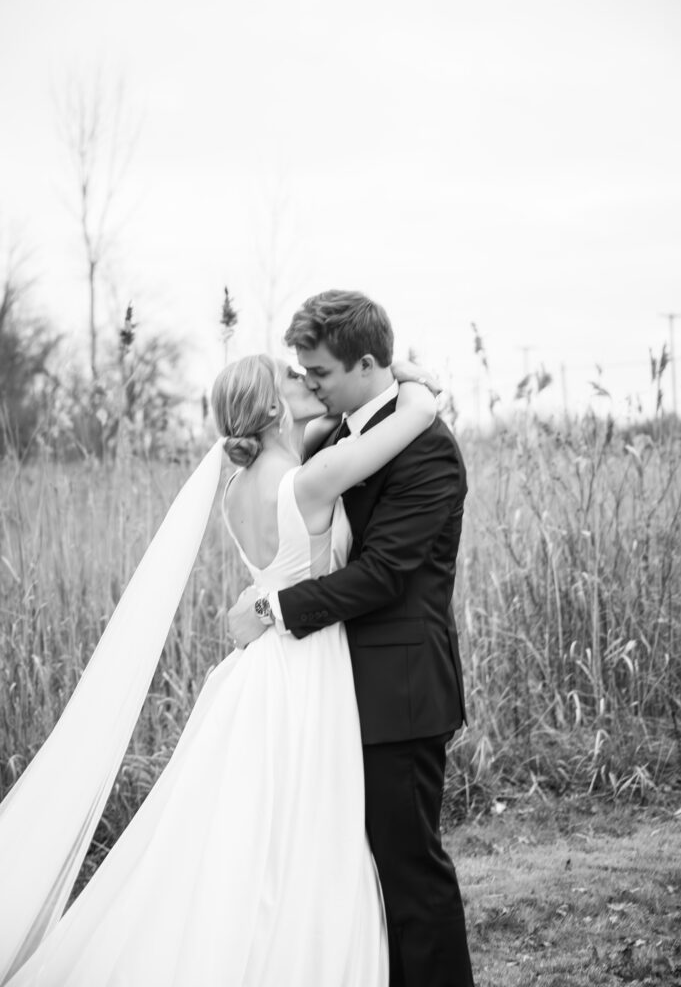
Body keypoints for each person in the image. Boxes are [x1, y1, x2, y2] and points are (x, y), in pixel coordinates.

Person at [2, 351, 437, 986]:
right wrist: (405, 377)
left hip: (259, 665)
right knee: (306, 826)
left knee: (250, 831)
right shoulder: (309, 482)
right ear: (268, 406)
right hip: (307, 667)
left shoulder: (238, 485)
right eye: (290, 378)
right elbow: (416, 414)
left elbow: (310, 438)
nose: (307, 380)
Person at [228, 289, 475, 987]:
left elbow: (382, 578)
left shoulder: (425, 449)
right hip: (329, 691)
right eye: (300, 374)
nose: (309, 384)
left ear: (366, 363)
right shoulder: (333, 440)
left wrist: (273, 609)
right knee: (347, 872)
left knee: (405, 869)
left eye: (321, 373)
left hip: (396, 693)